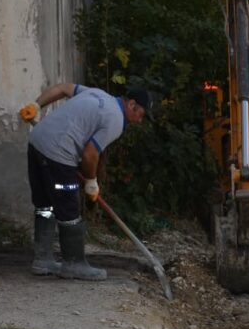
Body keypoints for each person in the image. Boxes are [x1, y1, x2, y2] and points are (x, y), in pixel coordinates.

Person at [18, 83, 151, 280]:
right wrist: (91, 182)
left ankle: (42, 260)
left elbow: (62, 89)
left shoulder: (97, 93)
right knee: (69, 207)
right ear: (131, 105)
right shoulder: (115, 119)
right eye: (141, 114)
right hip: (58, 155)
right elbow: (90, 155)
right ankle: (74, 264)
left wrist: (36, 106)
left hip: (37, 144)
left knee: (45, 204)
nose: (140, 121)